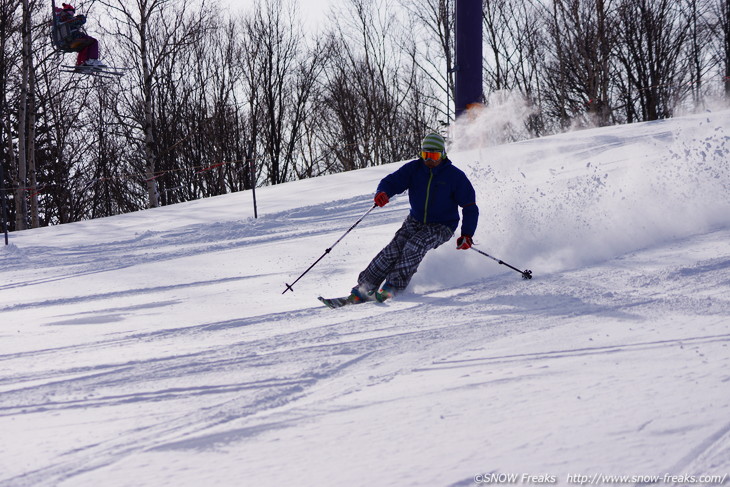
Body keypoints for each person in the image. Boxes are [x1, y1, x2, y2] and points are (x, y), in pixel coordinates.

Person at [348, 132, 479, 303]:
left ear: (443, 154)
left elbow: (470, 206)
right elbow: (392, 181)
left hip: (442, 225)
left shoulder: (454, 176)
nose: (429, 160)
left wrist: (467, 234)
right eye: (425, 155)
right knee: (392, 250)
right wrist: (383, 192)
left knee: (414, 246)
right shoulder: (414, 169)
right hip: (415, 220)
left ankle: (393, 286)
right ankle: (364, 288)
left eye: (434, 156)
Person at [53, 3, 103, 68]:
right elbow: (80, 21)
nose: (73, 13)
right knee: (93, 41)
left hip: (63, 43)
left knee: (83, 46)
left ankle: (82, 63)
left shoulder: (58, 21)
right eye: (72, 11)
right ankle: (92, 60)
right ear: (68, 11)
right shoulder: (67, 17)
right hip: (72, 39)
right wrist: (81, 18)